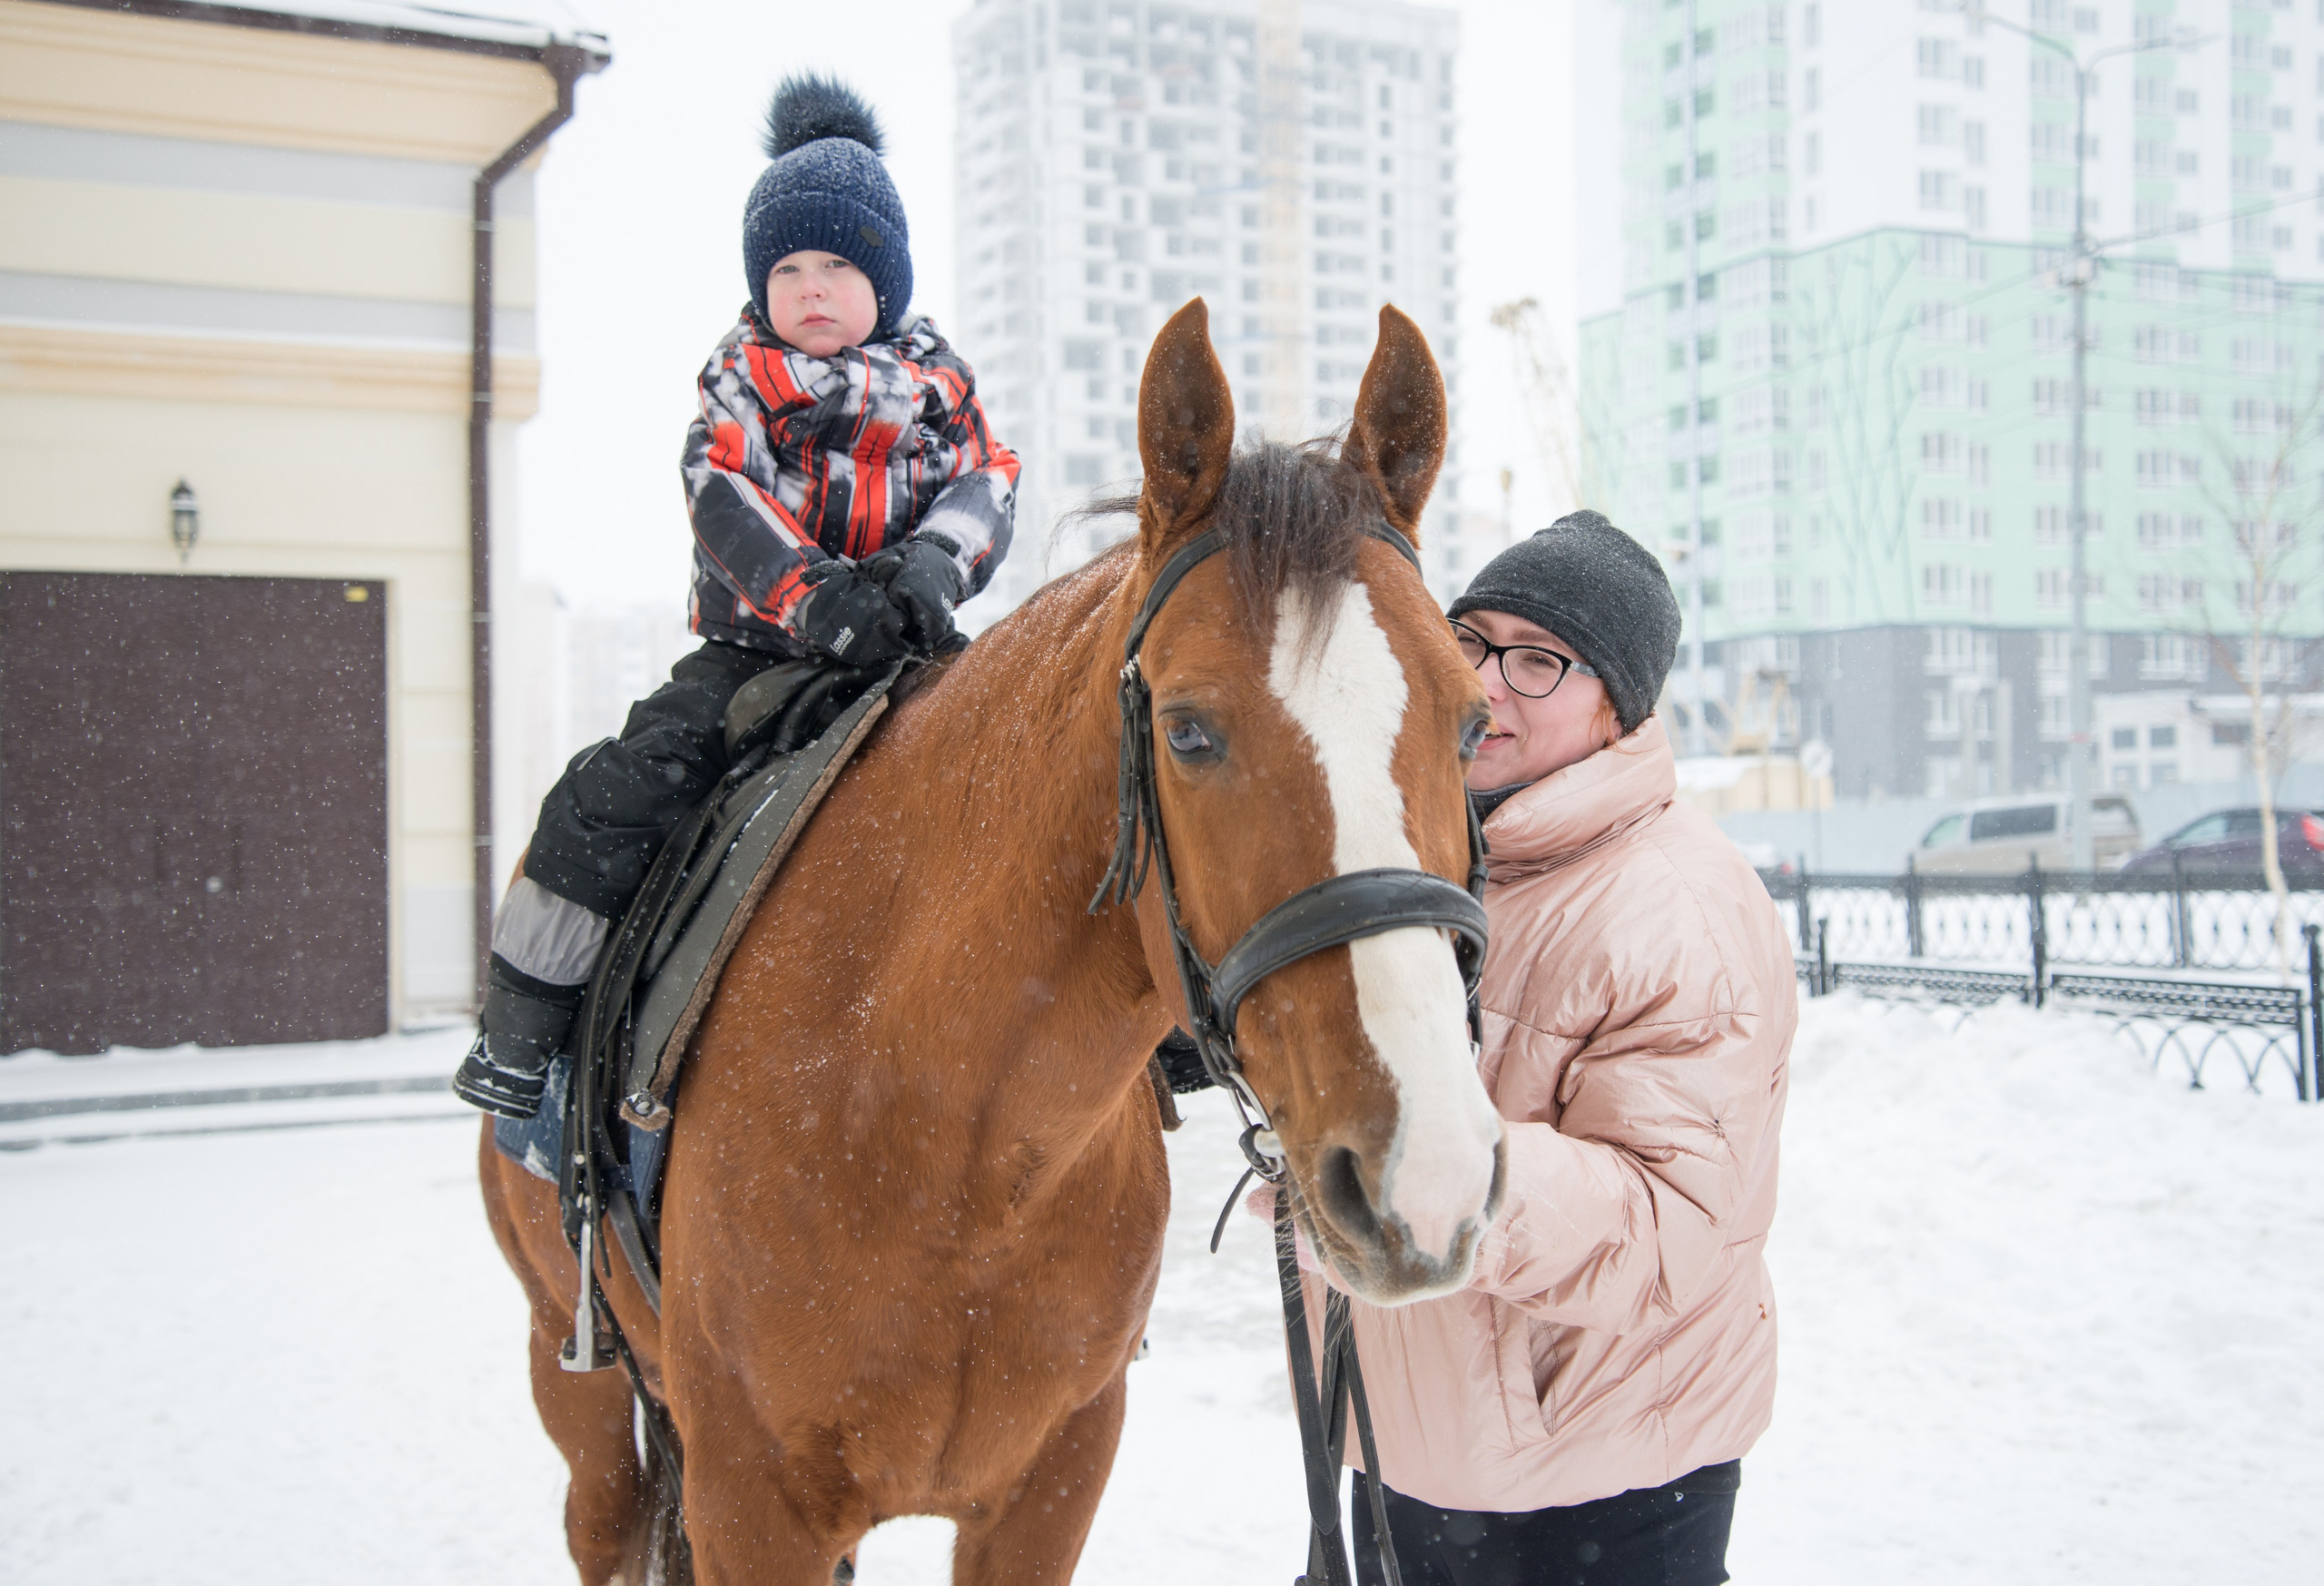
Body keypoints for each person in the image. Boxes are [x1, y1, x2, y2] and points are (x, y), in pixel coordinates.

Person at [454, 77, 1018, 1118]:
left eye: (837, 265)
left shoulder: (940, 382)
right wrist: (816, 597)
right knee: (607, 797)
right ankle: (523, 1030)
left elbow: (988, 479)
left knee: (1044, 774)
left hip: (908, 643)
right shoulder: (743, 375)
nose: (810, 288)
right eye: (786, 269)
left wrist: (932, 567)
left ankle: (1145, 1023)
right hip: (760, 653)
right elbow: (721, 486)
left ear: (886, 280)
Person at [1331, 511, 1797, 1586]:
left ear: (1617, 706)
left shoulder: (1674, 906)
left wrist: (1422, 1167)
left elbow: (1665, 1228)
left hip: (1602, 1477)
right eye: (1469, 640)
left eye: (1537, 660)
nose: (1484, 682)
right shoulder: (1430, 864)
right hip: (1410, 1451)